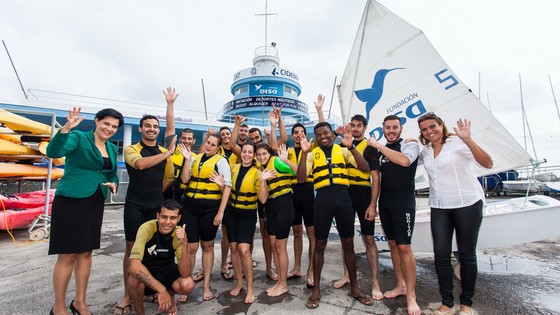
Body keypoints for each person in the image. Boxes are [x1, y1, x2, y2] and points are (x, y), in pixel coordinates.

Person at [47, 107, 123, 315]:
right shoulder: (78, 137)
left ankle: (80, 302)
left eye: (114, 126)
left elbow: (111, 173)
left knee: (86, 253)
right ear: (97, 121)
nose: (109, 129)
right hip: (71, 199)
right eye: (106, 123)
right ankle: (59, 306)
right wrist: (65, 129)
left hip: (94, 200)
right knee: (67, 255)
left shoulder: (112, 148)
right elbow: (53, 153)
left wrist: (114, 183)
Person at [417, 113, 493, 315]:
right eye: (424, 129)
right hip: (440, 206)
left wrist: (468, 138)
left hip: (466, 203)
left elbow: (487, 163)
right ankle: (447, 302)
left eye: (432, 126)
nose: (429, 131)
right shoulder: (425, 151)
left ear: (441, 125)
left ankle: (466, 304)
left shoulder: (458, 143)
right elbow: (405, 160)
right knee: (441, 255)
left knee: (467, 255)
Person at [297, 122, 374, 309]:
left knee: (348, 244)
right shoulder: (311, 154)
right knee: (319, 245)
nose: (323, 136)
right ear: (315, 137)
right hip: (323, 201)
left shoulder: (344, 150)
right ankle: (316, 290)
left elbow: (365, 168)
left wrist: (352, 147)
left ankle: (355, 288)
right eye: (319, 134)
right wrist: (305, 152)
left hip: (343, 199)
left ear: (332, 134)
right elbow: (300, 178)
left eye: (326, 133)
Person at [116, 113, 176, 314]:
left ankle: (150, 289)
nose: (152, 129)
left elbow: (168, 178)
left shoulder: (162, 151)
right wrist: (168, 153)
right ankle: (127, 294)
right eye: (147, 126)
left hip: (155, 205)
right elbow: (140, 164)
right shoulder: (132, 149)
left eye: (155, 126)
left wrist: (155, 195)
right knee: (132, 249)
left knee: (153, 248)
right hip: (135, 205)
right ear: (140, 129)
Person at [367, 115, 421, 315]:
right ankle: (401, 285)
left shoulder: (409, 145)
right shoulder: (380, 152)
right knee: (392, 245)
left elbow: (404, 162)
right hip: (386, 203)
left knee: (404, 247)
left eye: (394, 127)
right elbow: (377, 180)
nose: (391, 130)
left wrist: (378, 146)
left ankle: (411, 296)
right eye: (387, 127)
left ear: (400, 128)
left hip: (404, 203)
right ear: (382, 129)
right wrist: (373, 204)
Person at [332, 114, 382, 301]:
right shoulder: (341, 145)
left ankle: (375, 281)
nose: (354, 128)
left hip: (363, 194)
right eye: (352, 125)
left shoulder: (370, 147)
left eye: (358, 126)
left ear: (365, 127)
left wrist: (372, 204)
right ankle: (346, 274)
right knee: (347, 238)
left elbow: (375, 177)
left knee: (369, 238)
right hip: (345, 193)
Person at [178, 131, 232, 301]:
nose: (209, 146)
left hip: (210, 209)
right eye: (208, 142)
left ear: (218, 149)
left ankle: (207, 286)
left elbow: (227, 188)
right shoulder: (194, 157)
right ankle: (187, 284)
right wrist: (187, 160)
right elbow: (185, 180)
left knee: (207, 246)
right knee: (190, 248)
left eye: (213, 144)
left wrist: (220, 212)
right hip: (190, 208)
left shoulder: (221, 162)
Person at [230, 115, 277, 281]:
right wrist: (237, 125)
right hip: (245, 200)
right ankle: (244, 265)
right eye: (251, 139)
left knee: (265, 234)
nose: (254, 141)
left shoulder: (264, 154)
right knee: (245, 237)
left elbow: (276, 145)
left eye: (257, 138)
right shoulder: (246, 155)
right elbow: (231, 144)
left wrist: (273, 128)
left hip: (264, 195)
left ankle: (269, 268)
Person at [128, 199, 195, 315]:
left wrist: (184, 244)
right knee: (133, 280)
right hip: (147, 270)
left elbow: (185, 273)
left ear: (178, 219)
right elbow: (133, 265)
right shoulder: (146, 228)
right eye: (164, 217)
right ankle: (140, 312)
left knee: (187, 284)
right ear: (158, 216)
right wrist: (160, 289)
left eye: (173, 218)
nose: (168, 222)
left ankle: (170, 296)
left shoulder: (179, 233)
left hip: (166, 270)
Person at [224, 141, 267, 303]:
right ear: (240, 153)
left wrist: (263, 181)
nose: (246, 154)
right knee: (233, 248)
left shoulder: (257, 173)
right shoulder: (232, 169)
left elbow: (263, 199)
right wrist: (222, 185)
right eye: (244, 152)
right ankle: (239, 283)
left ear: (254, 155)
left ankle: (250, 288)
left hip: (247, 215)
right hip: (232, 213)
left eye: (250, 152)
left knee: (244, 249)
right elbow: (226, 191)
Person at [256, 141, 297, 296]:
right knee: (273, 246)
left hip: (284, 206)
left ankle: (283, 284)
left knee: (280, 247)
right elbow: (263, 200)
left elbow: (299, 173)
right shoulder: (261, 170)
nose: (261, 157)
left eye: (264, 154)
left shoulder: (278, 163)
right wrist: (262, 180)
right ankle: (280, 280)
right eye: (258, 154)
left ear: (269, 154)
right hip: (271, 207)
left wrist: (286, 160)